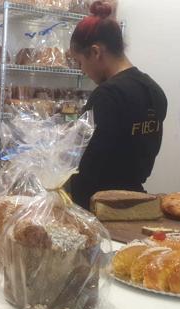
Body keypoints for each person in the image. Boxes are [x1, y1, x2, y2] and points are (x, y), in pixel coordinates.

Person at [69, 1, 167, 210]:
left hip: (96, 207)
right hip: (135, 202)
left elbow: (86, 165)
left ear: (96, 52)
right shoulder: (155, 91)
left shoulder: (107, 95)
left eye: (80, 62)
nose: (82, 71)